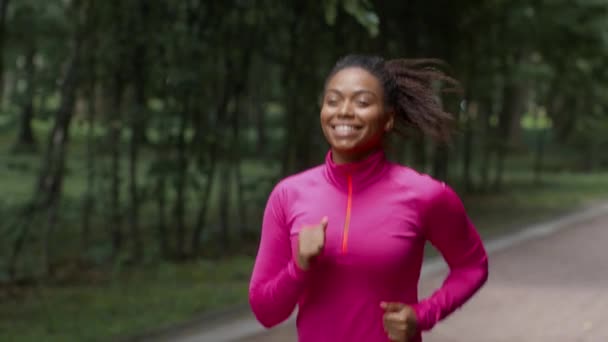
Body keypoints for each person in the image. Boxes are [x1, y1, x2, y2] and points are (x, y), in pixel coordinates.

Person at [248, 54, 489, 342]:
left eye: (362, 102)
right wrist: (298, 266)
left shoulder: (426, 195)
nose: (344, 112)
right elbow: (265, 311)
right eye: (333, 101)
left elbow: (472, 266)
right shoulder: (288, 195)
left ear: (387, 119)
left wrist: (423, 314)